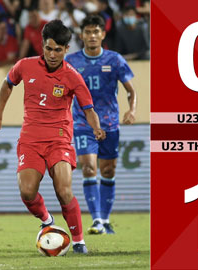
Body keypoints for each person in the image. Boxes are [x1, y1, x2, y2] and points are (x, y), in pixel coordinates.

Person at [0, 19, 106, 254]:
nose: (52, 54)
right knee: (27, 191)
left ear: (66, 49)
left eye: (58, 50)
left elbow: (88, 108)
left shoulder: (73, 77)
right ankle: (46, 219)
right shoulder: (25, 65)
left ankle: (79, 241)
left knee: (63, 190)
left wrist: (96, 127)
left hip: (59, 139)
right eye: (48, 48)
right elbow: (7, 84)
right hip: (31, 139)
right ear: (42, 45)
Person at [65, 15, 137, 234]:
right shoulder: (71, 62)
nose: (92, 36)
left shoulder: (114, 60)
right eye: (88, 32)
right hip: (82, 123)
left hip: (109, 124)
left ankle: (105, 220)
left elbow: (131, 91)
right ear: (82, 35)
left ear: (103, 34)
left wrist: (131, 110)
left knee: (108, 170)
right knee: (88, 167)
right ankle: (96, 220)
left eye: (96, 31)